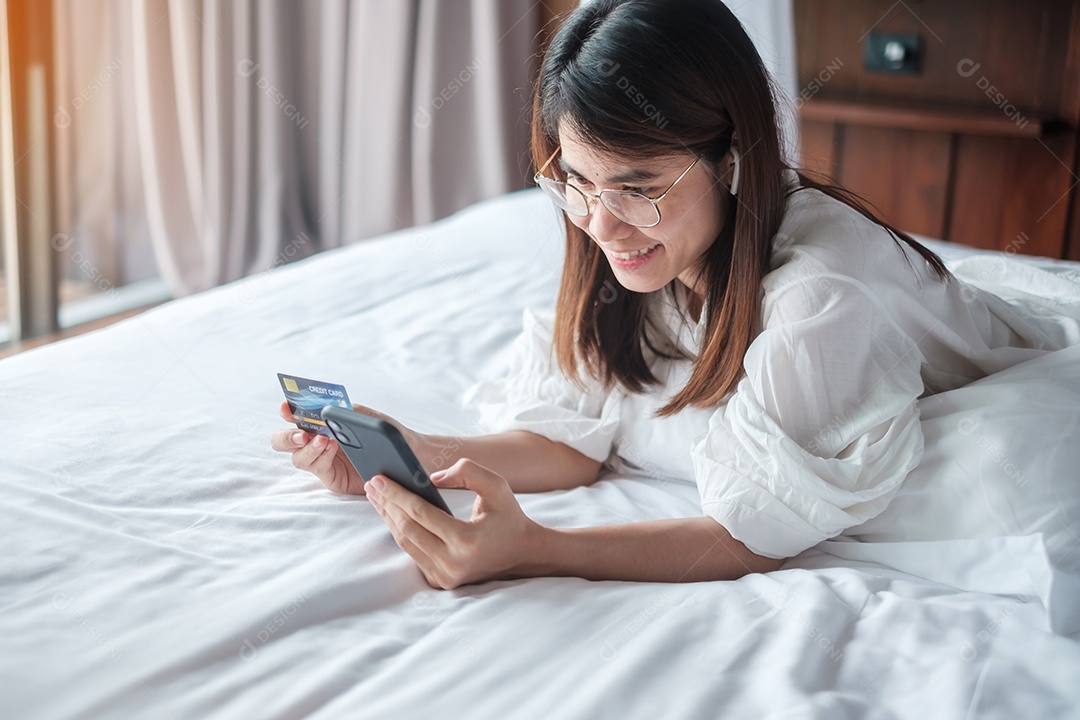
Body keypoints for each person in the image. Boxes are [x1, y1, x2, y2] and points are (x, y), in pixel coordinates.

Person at [270, 0, 1075, 590]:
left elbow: (752, 536)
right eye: (577, 183)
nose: (603, 225)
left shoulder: (820, 299)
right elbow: (577, 439)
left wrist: (536, 548)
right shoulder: (626, 242)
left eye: (639, 187)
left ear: (731, 157)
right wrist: (404, 453)